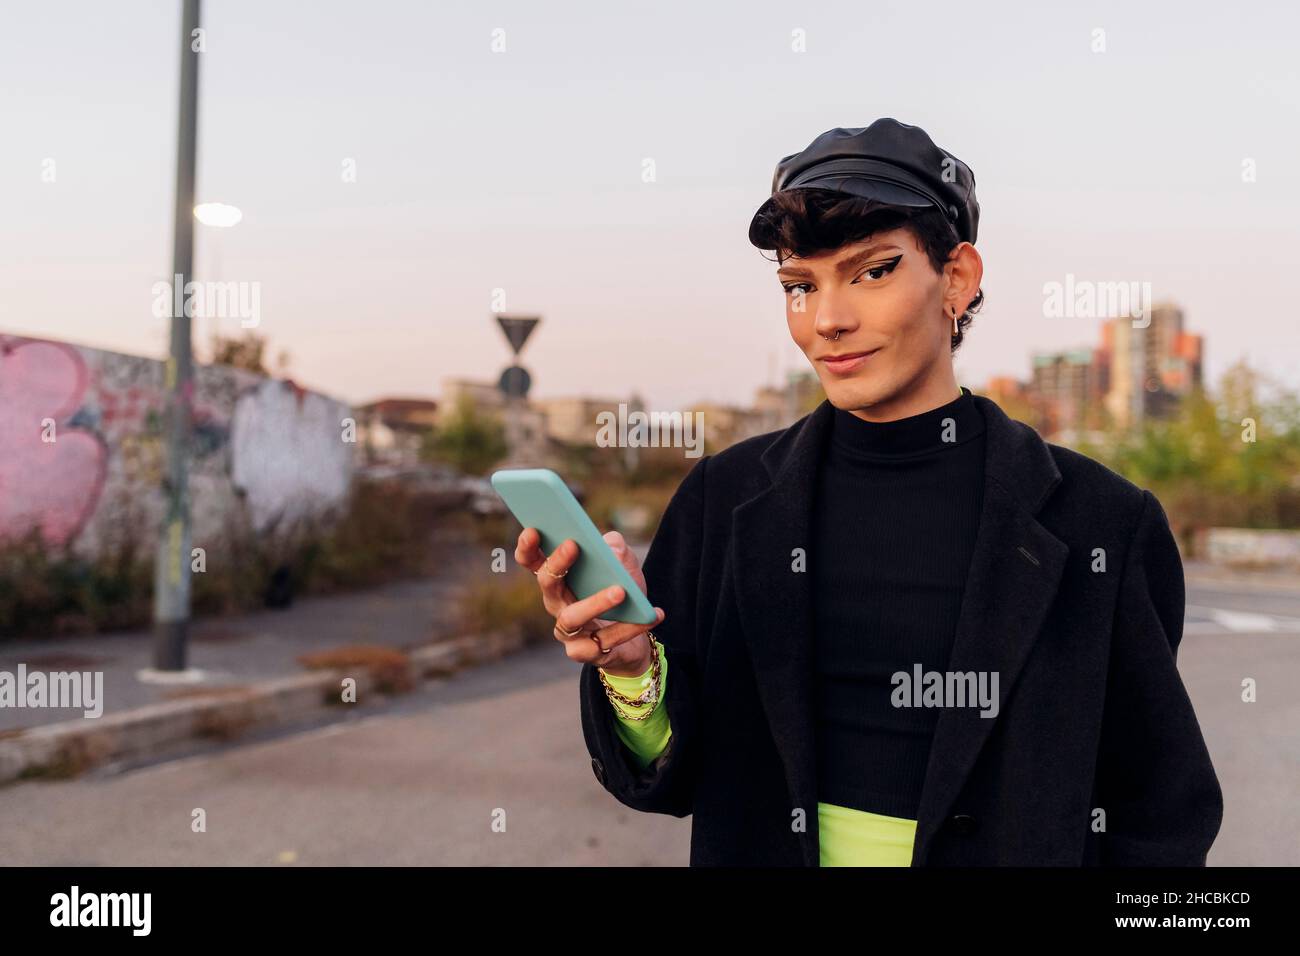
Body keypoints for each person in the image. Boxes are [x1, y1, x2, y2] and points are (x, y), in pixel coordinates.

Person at [513, 118, 1223, 866]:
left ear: (957, 277)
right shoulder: (724, 500)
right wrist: (631, 668)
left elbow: (1158, 814)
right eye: (799, 285)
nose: (828, 320)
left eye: (872, 271)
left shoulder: (1102, 523)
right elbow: (674, 776)